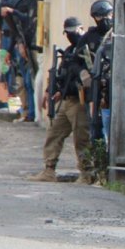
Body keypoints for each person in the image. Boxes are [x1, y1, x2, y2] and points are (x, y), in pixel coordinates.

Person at [28, 17, 95, 184]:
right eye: (69, 32)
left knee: (82, 139)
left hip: (80, 101)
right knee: (54, 134)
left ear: (82, 28)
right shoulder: (70, 52)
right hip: (66, 100)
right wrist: (55, 91)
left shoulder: (87, 51)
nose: (72, 34)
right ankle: (49, 170)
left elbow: (91, 74)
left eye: (74, 30)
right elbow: (62, 74)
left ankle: (87, 174)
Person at [86, 0, 114, 143]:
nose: (103, 20)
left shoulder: (118, 34)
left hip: (116, 92)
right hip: (99, 91)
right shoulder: (90, 36)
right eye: (99, 17)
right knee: (97, 132)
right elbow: (79, 60)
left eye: (107, 15)